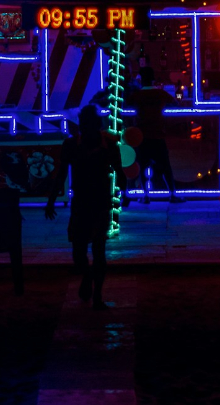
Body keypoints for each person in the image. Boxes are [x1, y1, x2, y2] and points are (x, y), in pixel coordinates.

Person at [46, 104, 121, 310]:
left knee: (90, 250)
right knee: (91, 251)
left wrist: (52, 199)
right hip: (94, 201)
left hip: (91, 202)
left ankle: (95, 292)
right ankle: (93, 287)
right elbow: (120, 172)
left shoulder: (76, 145)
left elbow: (62, 173)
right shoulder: (100, 145)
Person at [126, 66, 184, 203]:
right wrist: (178, 94)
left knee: (142, 166)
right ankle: (173, 194)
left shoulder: (136, 95)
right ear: (153, 79)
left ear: (140, 79)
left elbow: (126, 106)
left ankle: (145, 196)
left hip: (142, 136)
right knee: (165, 166)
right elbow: (176, 103)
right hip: (158, 135)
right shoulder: (161, 94)